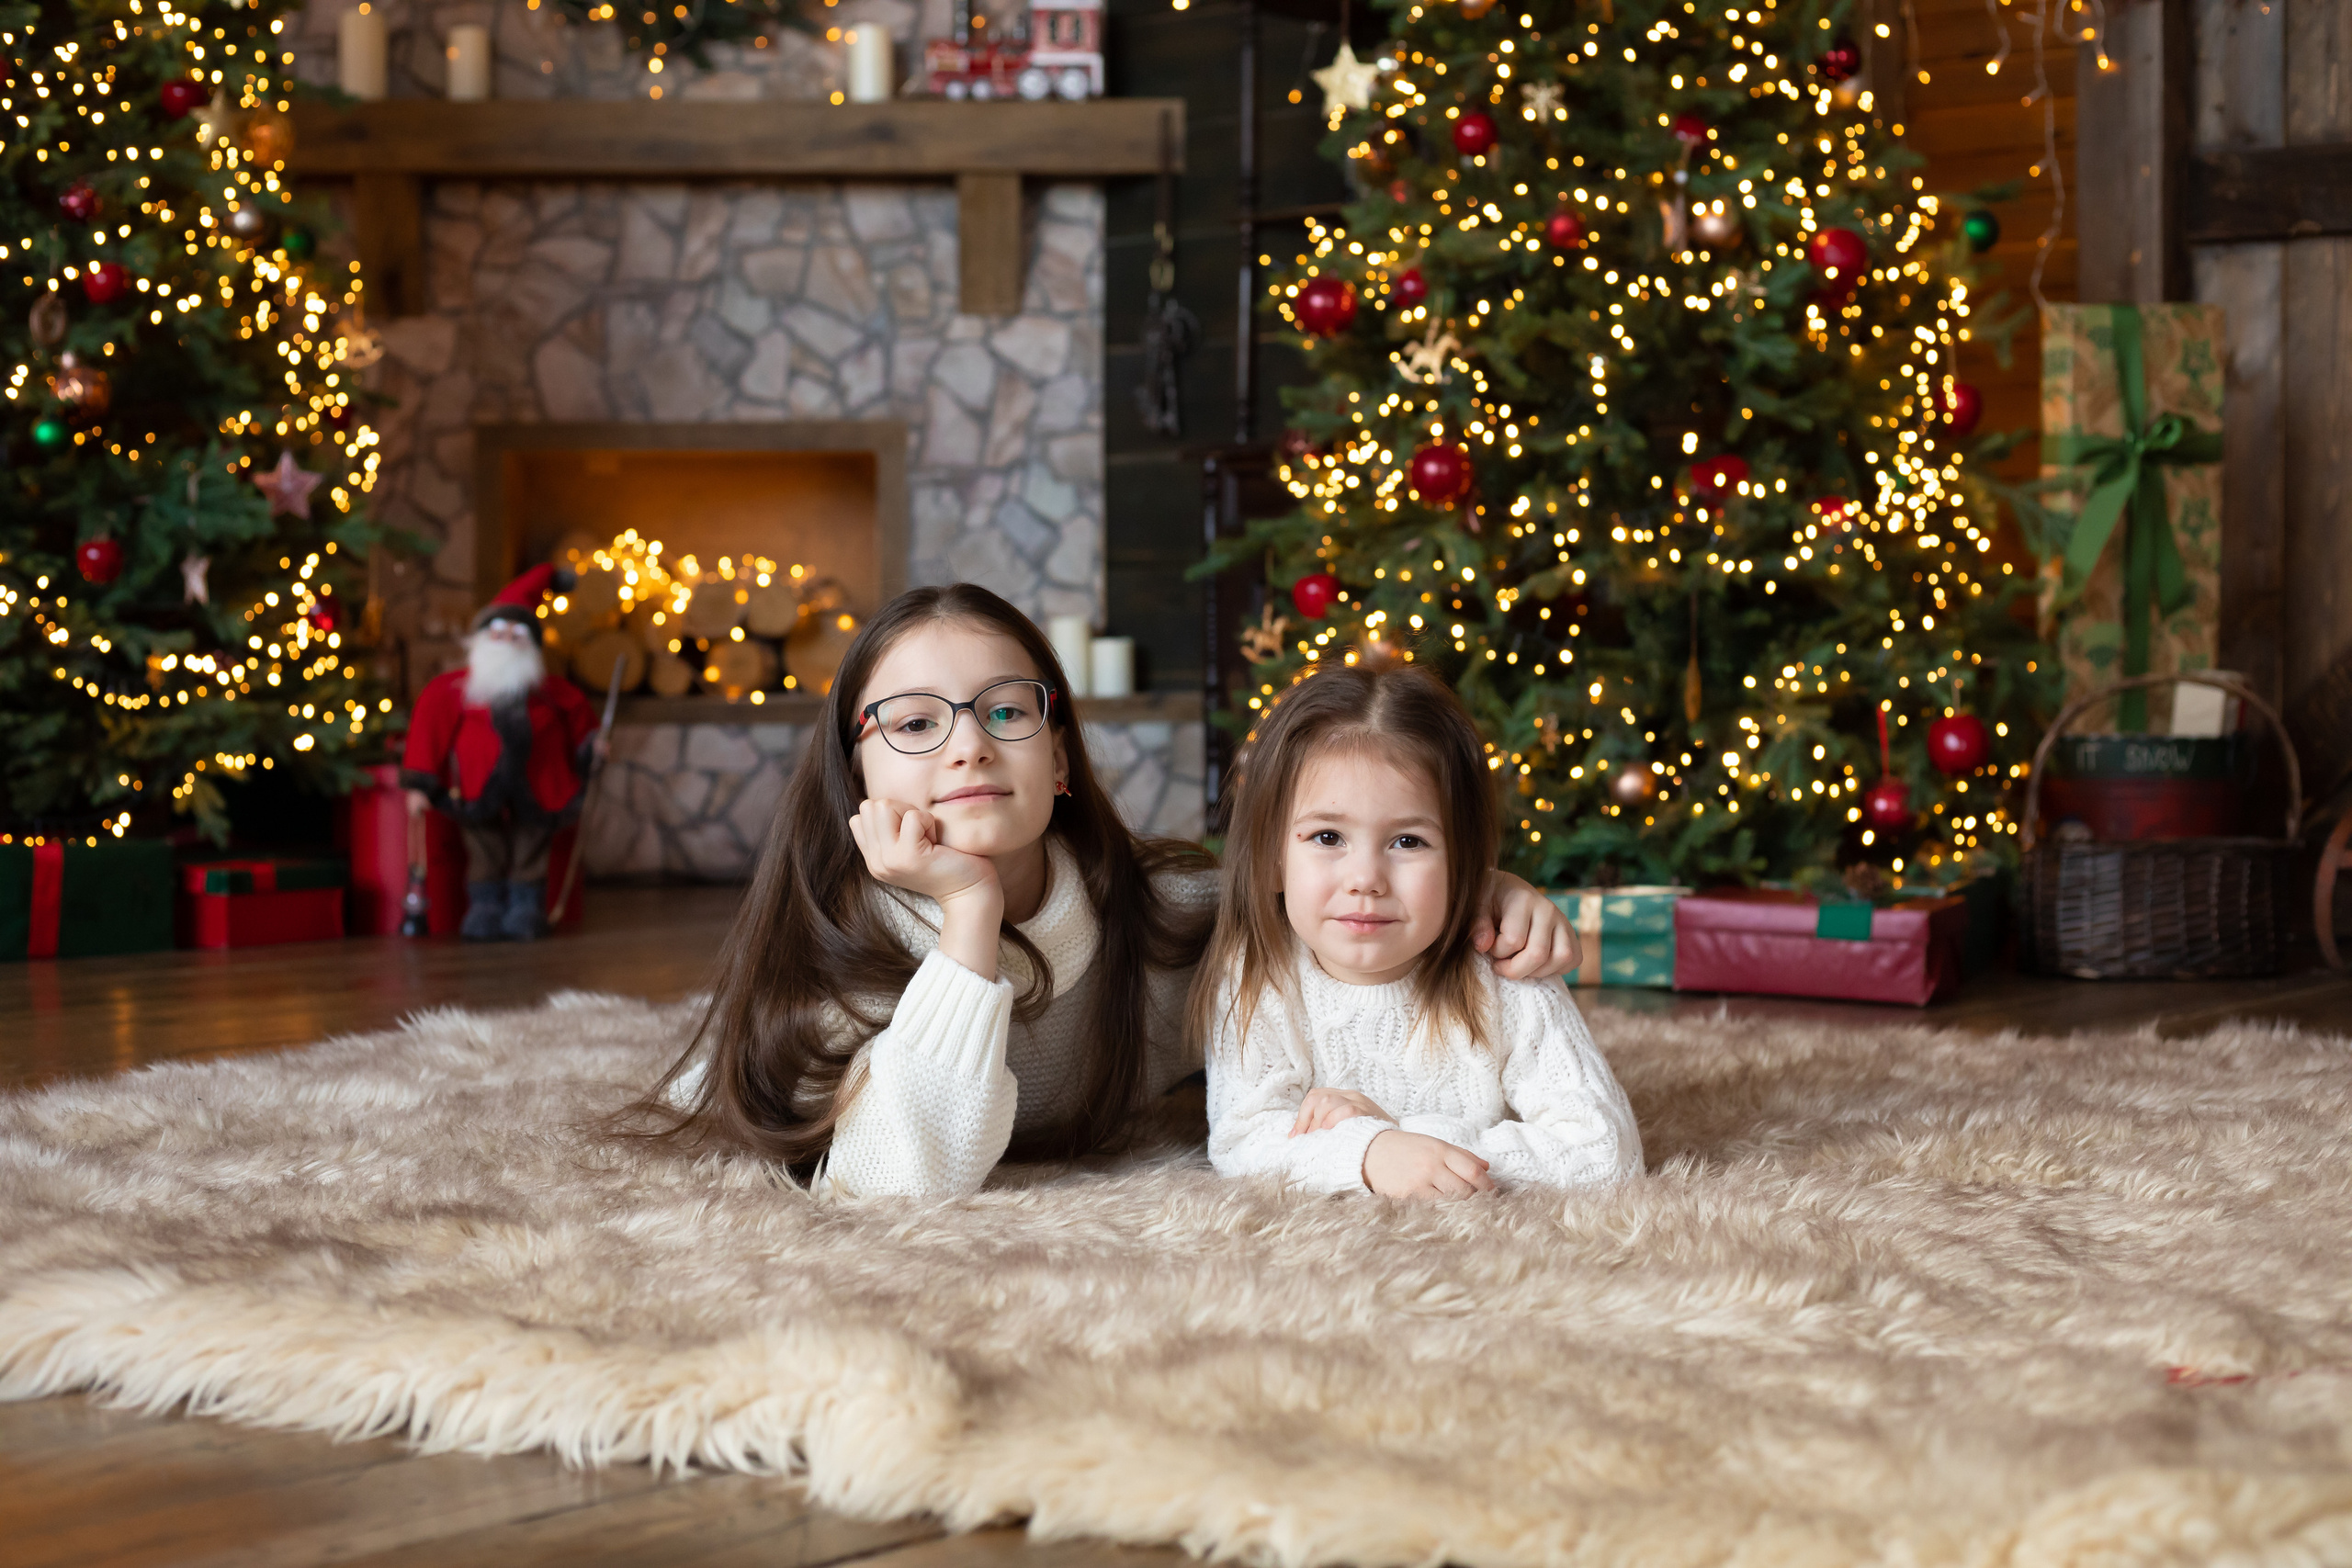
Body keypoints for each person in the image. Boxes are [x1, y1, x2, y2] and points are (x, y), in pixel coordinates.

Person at [637, 583, 1583, 1198]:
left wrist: (1479, 885)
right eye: (914, 723)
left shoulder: (1166, 908)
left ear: (1057, 758)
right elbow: (895, 1186)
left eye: (1005, 710)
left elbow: (1334, 884)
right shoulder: (837, 969)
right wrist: (967, 915)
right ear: (857, 779)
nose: (967, 743)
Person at [1197, 660, 1643, 1200]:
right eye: (1327, 837)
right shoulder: (1258, 973)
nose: (1365, 879)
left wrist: (1408, 1140)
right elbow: (1244, 1141)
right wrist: (1371, 1155)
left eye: (1407, 842)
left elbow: (1605, 1152)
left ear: (1464, 863)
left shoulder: (1503, 964)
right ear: (1271, 856)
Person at [401, 563, 599, 942]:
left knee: (532, 846)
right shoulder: (452, 690)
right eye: (499, 633)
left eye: (517, 634)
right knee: (483, 847)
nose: (507, 639)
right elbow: (429, 731)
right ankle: (485, 907)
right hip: (474, 786)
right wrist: (419, 784)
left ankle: (526, 908)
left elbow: (581, 720)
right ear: (480, 640)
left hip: (540, 782)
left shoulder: (552, 691)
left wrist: (593, 745)